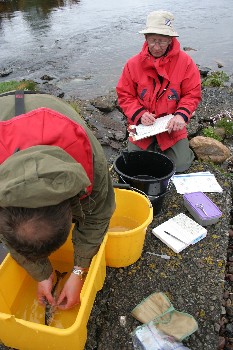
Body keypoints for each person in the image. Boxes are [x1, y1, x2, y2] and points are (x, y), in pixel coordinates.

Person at [0, 91, 115, 310]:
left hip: (53, 112)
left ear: (69, 204)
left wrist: (78, 271)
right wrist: (41, 274)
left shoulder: (92, 162)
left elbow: (97, 214)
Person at [116, 10, 202, 172]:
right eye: (153, 40)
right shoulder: (132, 64)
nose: (156, 47)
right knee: (136, 164)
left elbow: (192, 94)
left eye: (162, 41)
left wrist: (181, 115)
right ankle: (154, 148)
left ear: (170, 40)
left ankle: (176, 149)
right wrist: (140, 114)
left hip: (171, 127)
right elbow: (124, 95)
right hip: (142, 125)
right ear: (146, 38)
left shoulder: (186, 63)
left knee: (182, 165)